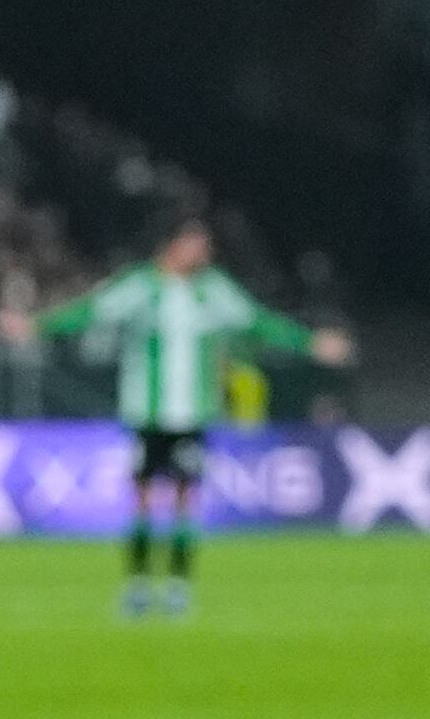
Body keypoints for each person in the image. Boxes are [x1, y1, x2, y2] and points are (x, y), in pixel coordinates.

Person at [39, 222, 346, 618]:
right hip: (147, 413)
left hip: (193, 414)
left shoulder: (213, 290)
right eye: (195, 244)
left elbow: (257, 321)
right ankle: (138, 584)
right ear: (172, 245)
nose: (203, 252)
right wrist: (37, 326)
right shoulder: (141, 287)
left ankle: (179, 586)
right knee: (144, 501)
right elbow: (91, 312)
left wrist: (309, 342)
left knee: (185, 499)